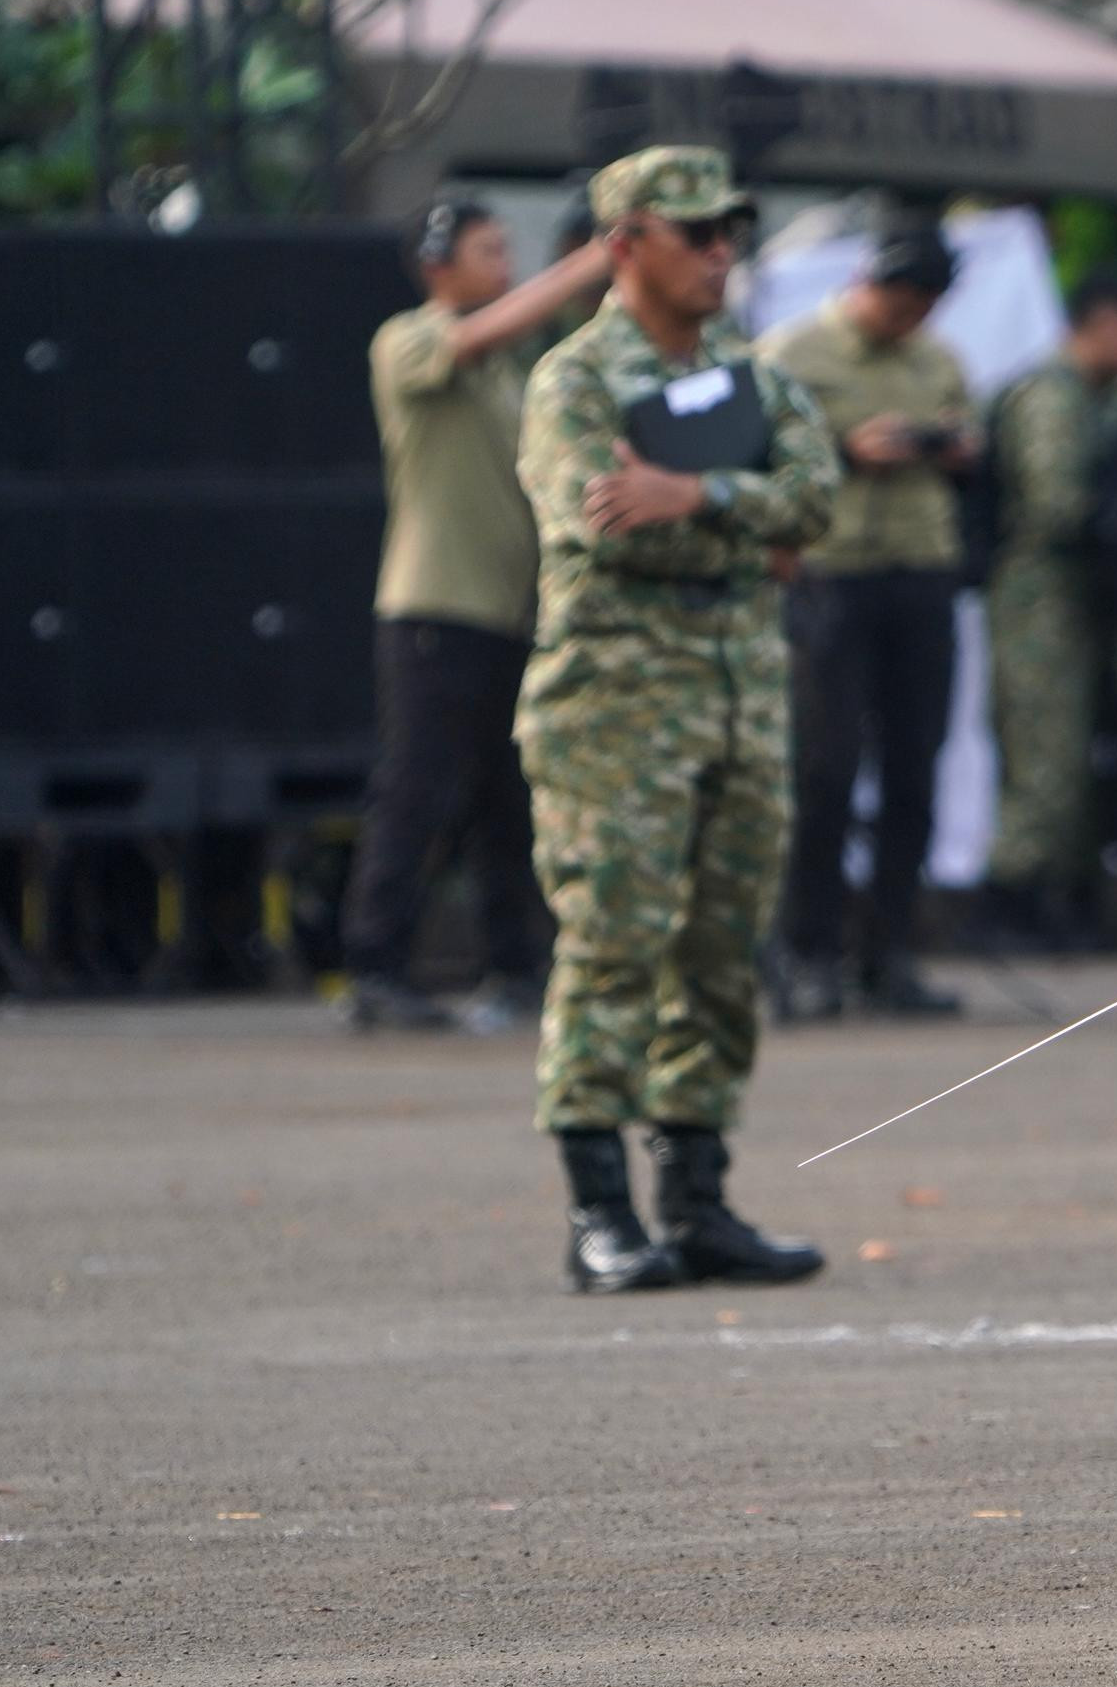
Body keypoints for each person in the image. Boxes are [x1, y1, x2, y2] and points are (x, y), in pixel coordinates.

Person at [516, 146, 841, 1296]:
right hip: (617, 702)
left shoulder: (755, 375)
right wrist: (748, 527)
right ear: (623, 245)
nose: (720, 253)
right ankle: (599, 1212)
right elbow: (602, 519)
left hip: (740, 692)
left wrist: (697, 490)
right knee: (614, 943)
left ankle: (696, 1202)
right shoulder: (574, 380)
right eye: (695, 233)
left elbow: (817, 494)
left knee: (719, 952)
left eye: (729, 232)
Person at [338, 198, 610, 1030]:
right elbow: (473, 335)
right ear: (437, 264)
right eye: (490, 250)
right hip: (434, 606)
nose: (505, 265)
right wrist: (589, 264)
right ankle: (375, 967)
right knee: (416, 791)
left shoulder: (507, 374)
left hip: (505, 612)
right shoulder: (410, 339)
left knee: (507, 799)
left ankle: (515, 966)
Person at [759, 220, 979, 1019]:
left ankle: (890, 956)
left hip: (921, 572)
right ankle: (807, 952)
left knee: (916, 770)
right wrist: (849, 451)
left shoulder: (940, 361)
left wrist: (952, 449)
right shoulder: (793, 354)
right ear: (868, 282)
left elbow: (967, 449)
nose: (908, 317)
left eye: (924, 304)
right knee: (825, 769)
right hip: (831, 575)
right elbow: (759, 462)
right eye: (899, 299)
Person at [977, 269, 1117, 944]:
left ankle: (1062, 898)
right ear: (1108, 321)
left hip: (1073, 592)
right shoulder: (1054, 400)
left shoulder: (1096, 393)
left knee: (1077, 747)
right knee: (1044, 746)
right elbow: (1056, 505)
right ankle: (1012, 899)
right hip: (1042, 595)